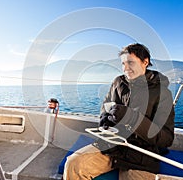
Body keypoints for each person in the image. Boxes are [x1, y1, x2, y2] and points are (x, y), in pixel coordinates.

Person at [63, 43, 175, 180]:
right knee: (74, 164)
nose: (125, 68)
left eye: (130, 62)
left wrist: (131, 118)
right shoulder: (118, 83)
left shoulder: (162, 93)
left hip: (141, 155)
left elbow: (166, 138)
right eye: (123, 63)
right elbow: (106, 106)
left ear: (145, 62)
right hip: (112, 147)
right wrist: (104, 118)